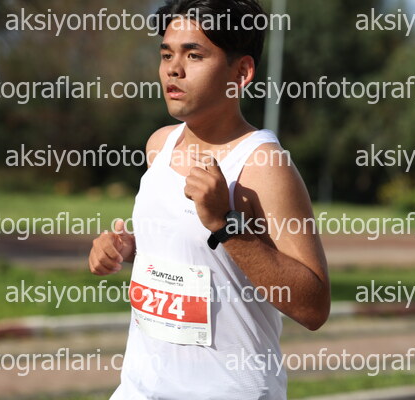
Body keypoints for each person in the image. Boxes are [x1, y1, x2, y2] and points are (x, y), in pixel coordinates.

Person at [88, 1, 331, 398]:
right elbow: (187, 254)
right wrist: (126, 249)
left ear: (241, 73)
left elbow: (314, 307)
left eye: (193, 55)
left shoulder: (264, 165)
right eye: (166, 54)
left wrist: (225, 224)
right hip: (140, 388)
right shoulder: (159, 145)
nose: (173, 69)